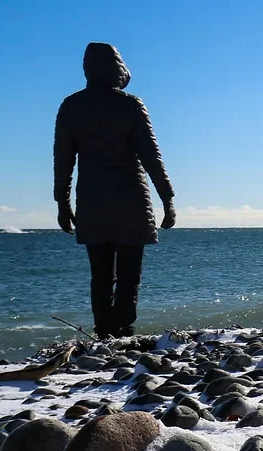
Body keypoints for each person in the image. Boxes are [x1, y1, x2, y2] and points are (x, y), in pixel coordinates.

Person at [54, 42, 175, 339]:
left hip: (92, 201)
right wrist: (167, 198)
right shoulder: (130, 105)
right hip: (131, 199)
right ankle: (122, 329)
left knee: (101, 275)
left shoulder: (71, 106)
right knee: (129, 274)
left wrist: (62, 202)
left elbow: (63, 161)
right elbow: (151, 156)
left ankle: (104, 331)